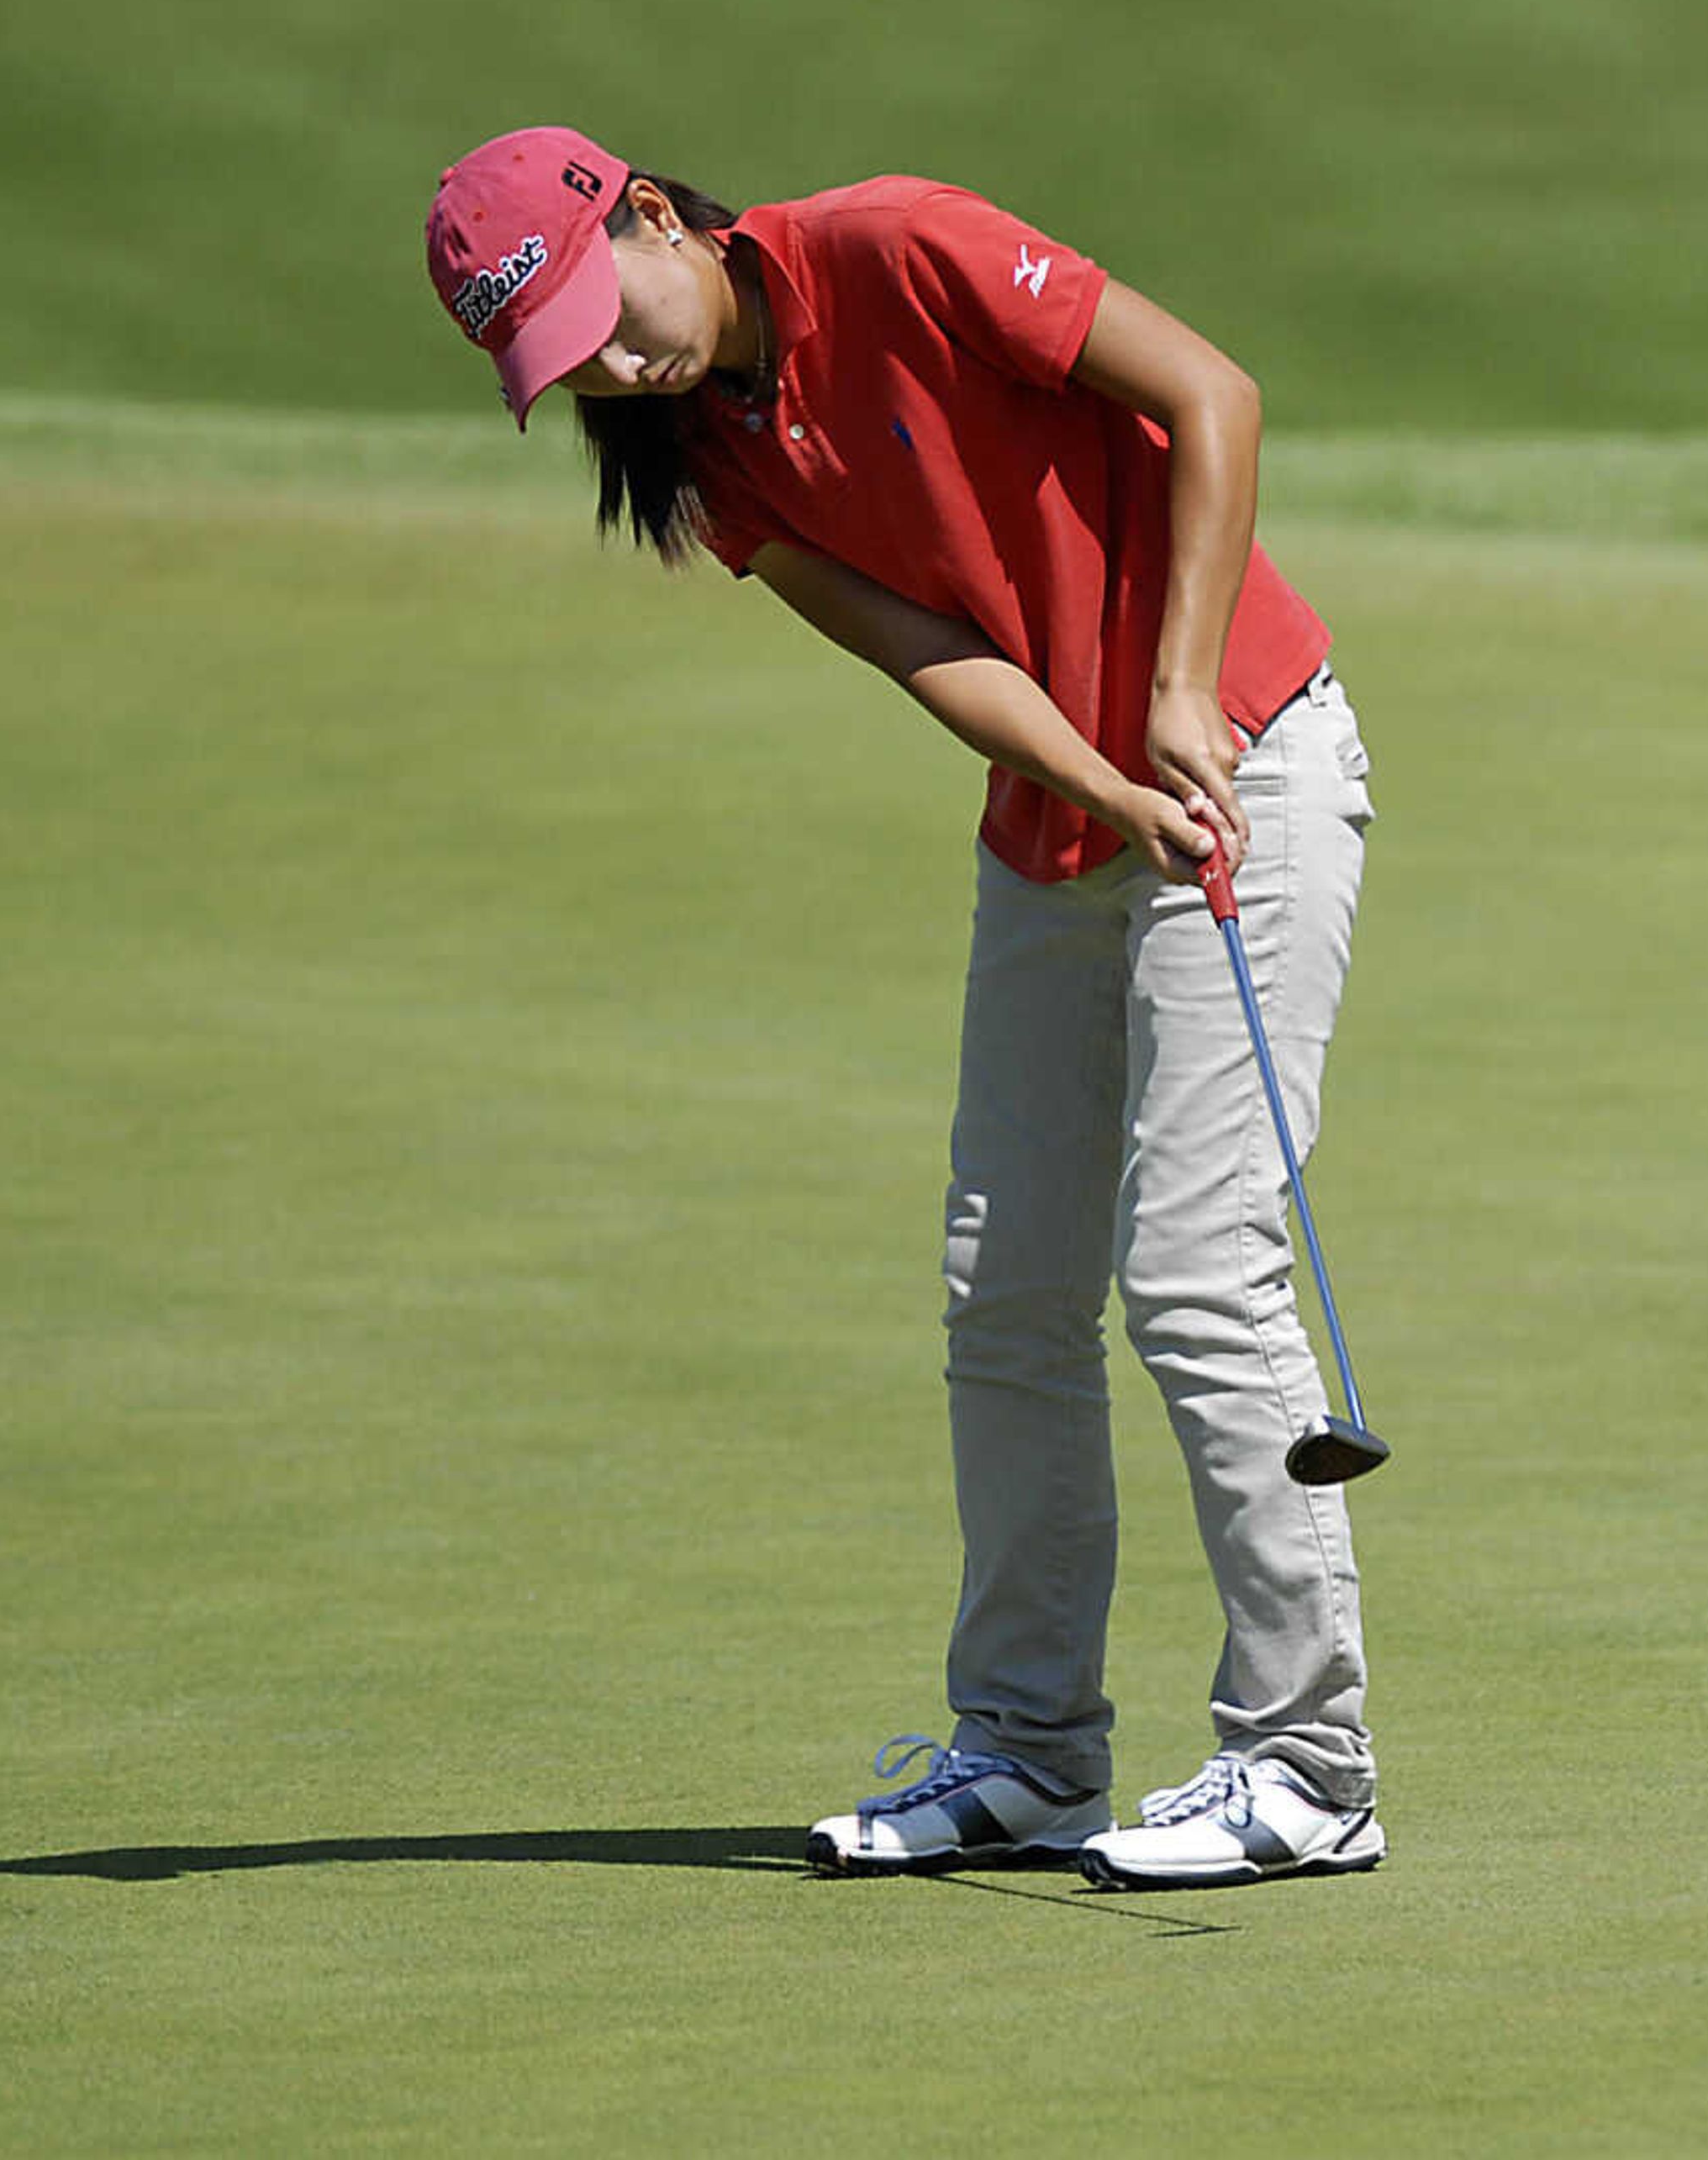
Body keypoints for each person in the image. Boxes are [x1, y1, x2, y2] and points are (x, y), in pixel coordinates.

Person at [423, 127, 1384, 1889]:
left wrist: (1174, 700)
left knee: (1191, 1269)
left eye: (601, 322)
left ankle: (1310, 1762)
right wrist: (1097, 780)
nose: (611, 372)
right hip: (1069, 819)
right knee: (1002, 1287)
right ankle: (1028, 1749)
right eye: (564, 367)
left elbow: (1214, 396)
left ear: (643, 212)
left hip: (1251, 756)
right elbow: (929, 653)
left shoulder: (898, 247)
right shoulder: (698, 458)